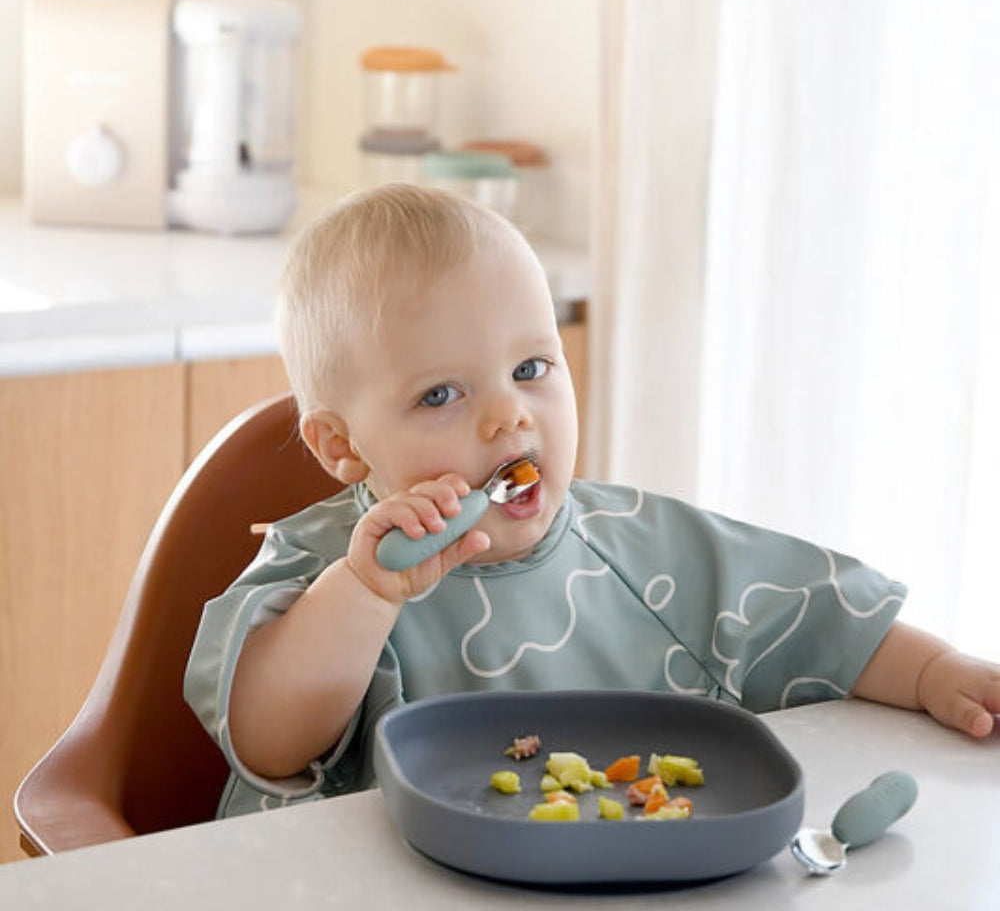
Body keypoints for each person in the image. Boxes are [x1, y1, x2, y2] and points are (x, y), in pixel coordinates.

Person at [184, 184, 999, 817]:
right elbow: (269, 742)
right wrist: (363, 595)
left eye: (533, 369)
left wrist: (935, 671)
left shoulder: (646, 549)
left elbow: (823, 622)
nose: (510, 415)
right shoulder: (324, 567)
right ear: (341, 445)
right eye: (441, 395)